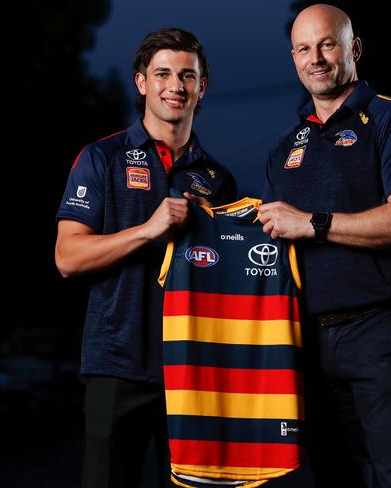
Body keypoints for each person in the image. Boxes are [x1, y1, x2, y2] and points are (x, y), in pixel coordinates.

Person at [259, 4, 391, 487]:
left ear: (353, 48)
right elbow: (276, 243)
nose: (315, 58)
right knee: (335, 477)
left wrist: (313, 223)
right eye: (303, 48)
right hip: (309, 340)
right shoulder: (284, 147)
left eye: (327, 44)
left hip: (381, 328)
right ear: (293, 58)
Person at [54, 28, 237, 488]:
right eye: (163, 74)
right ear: (141, 83)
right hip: (117, 367)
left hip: (195, 372)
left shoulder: (218, 179)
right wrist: (148, 229)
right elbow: (67, 257)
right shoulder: (102, 158)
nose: (175, 85)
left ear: (202, 87)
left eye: (187, 75)